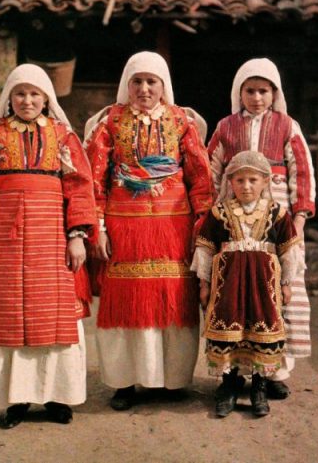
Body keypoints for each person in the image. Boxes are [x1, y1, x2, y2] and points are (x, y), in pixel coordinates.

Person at [0, 64, 97, 428]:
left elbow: (79, 186)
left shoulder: (63, 137)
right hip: (3, 241)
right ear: (9, 98)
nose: (27, 100)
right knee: (8, 316)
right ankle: (16, 400)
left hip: (52, 239)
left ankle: (55, 398)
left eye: (35, 94)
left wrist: (77, 237)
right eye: (20, 93)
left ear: (47, 98)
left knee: (55, 318)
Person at [84, 51, 214, 410]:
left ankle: (171, 379)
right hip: (124, 225)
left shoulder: (181, 121)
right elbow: (95, 178)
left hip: (173, 224)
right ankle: (125, 382)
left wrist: (203, 228)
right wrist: (98, 227)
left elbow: (199, 176)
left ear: (163, 86)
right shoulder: (109, 122)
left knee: (171, 295)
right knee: (128, 299)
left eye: (151, 81)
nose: (144, 89)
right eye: (137, 82)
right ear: (127, 85)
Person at [207, 58, 316, 400]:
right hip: (237, 218)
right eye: (250, 90)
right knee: (237, 291)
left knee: (282, 288)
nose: (256, 97)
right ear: (239, 93)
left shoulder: (287, 126)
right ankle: (235, 371)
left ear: (274, 93)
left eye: (263, 90)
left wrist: (298, 217)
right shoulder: (225, 126)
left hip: (278, 215)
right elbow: (210, 170)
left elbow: (302, 171)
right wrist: (211, 213)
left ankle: (273, 372)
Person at [191, 151, 302, 417]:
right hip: (228, 285)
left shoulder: (278, 213)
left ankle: (259, 388)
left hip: (264, 285)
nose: (246, 186)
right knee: (229, 329)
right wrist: (204, 284)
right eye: (239, 180)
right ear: (230, 183)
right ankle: (229, 386)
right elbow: (205, 250)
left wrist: (286, 282)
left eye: (253, 180)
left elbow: (289, 252)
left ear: (266, 181)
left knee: (261, 329)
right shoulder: (218, 214)